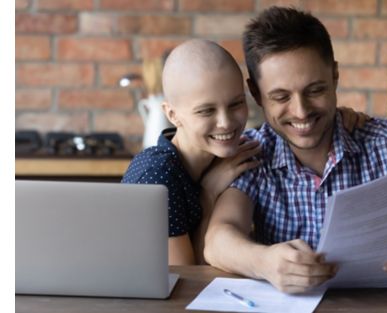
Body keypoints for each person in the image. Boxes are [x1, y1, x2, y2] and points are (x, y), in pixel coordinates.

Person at [204, 7, 387, 293]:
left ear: (335, 76)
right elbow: (217, 241)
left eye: (315, 90)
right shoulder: (252, 153)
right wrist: (264, 262)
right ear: (256, 94)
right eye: (281, 96)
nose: (301, 112)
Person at [122, 39, 367, 265]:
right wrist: (208, 195)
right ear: (172, 114)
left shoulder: (226, 154)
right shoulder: (158, 177)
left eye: (235, 104)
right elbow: (187, 279)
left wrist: (335, 116)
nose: (226, 123)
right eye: (206, 111)